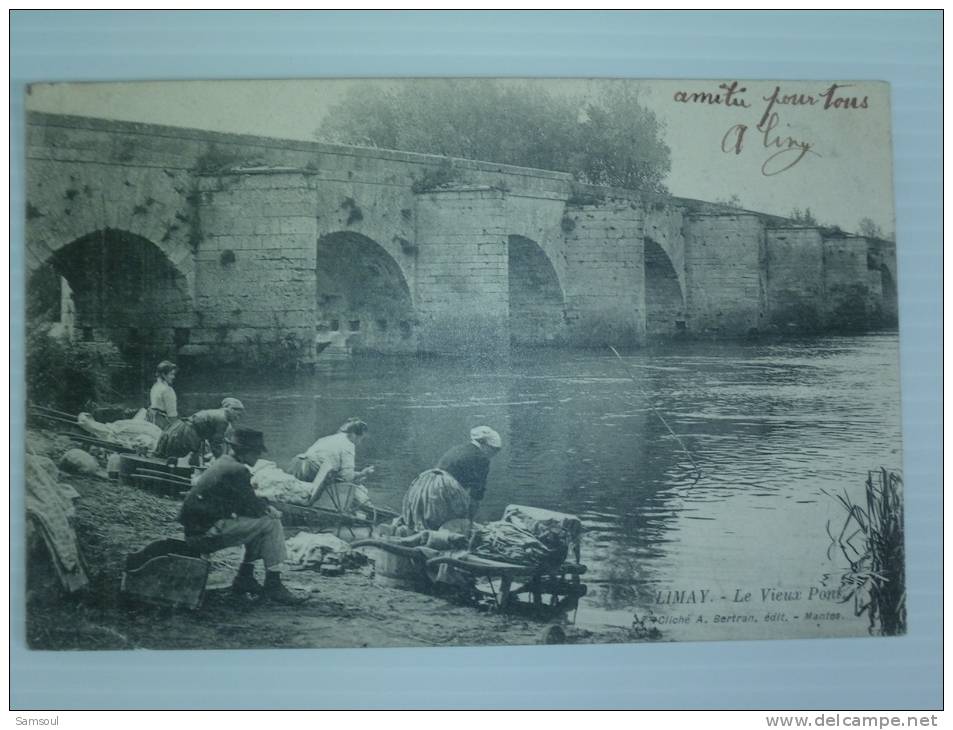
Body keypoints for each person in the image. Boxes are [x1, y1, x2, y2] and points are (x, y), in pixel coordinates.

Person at [177, 427, 303, 604]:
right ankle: (273, 584)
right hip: (204, 535)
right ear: (247, 452)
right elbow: (252, 508)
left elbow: (243, 503)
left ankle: (245, 577)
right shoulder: (237, 470)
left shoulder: (224, 462)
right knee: (271, 523)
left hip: (196, 531)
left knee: (259, 524)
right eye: (257, 452)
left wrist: (261, 505)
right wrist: (269, 508)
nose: (259, 456)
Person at [398, 426, 502, 532]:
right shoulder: (481, 458)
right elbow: (477, 493)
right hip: (441, 488)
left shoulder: (458, 449)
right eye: (494, 450)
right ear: (485, 445)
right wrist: (470, 520)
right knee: (462, 516)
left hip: (423, 486)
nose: (494, 454)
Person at [289, 418, 375, 506]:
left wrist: (361, 473)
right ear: (353, 435)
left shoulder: (327, 439)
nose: (359, 442)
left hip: (297, 463)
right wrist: (360, 476)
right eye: (361, 439)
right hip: (313, 469)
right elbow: (347, 477)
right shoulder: (348, 445)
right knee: (349, 486)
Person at [153, 397, 245, 465]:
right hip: (188, 433)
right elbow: (216, 444)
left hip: (182, 427)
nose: (238, 418)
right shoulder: (223, 419)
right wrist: (221, 462)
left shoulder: (218, 413)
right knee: (184, 455)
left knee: (184, 455)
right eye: (238, 415)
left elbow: (212, 434)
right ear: (231, 409)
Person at [147, 361, 178, 431]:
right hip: (164, 424)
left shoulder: (155, 387)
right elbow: (172, 415)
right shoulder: (167, 390)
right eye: (171, 374)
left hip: (152, 422)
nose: (173, 377)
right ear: (164, 375)